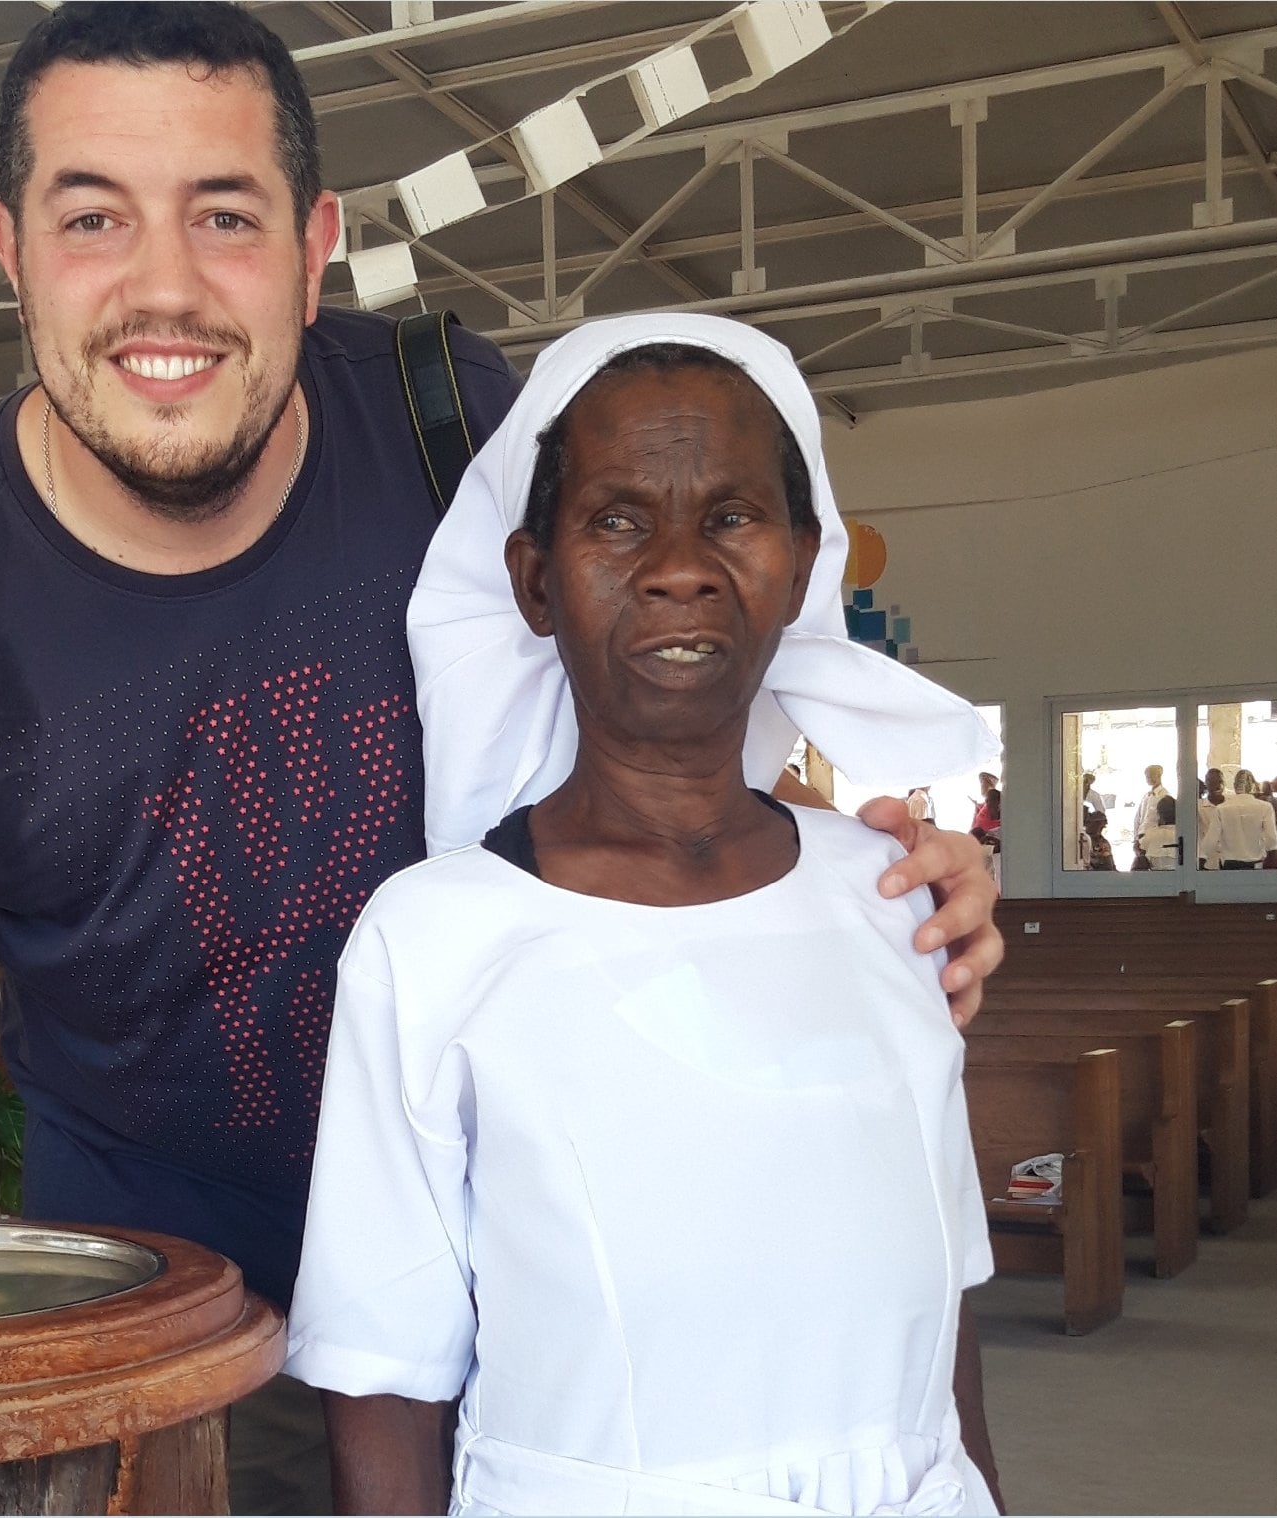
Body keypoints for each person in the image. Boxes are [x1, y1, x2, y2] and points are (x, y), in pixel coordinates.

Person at [0, 8, 1003, 1509]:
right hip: (202, 1331)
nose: (164, 287)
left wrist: (880, 877)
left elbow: (697, 657)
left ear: (315, 237)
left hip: (575, 1278)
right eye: (93, 219)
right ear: (6, 248)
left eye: (223, 215)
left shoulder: (445, 429)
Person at [287, 317, 1003, 1516]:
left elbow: (944, 1318)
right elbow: (383, 1377)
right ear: (532, 580)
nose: (681, 565)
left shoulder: (891, 902)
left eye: (730, 515)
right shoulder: (435, 941)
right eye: (617, 520)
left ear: (803, 560)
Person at [1202, 769, 1277, 869]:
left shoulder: (1221, 809)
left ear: (1234, 786)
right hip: (1256, 866)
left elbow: (1209, 844)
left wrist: (1220, 854)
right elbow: (1272, 841)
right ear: (1253, 786)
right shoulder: (1265, 807)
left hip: (1230, 865)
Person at [1132, 764, 1169, 860]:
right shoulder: (1146, 796)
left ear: (1159, 776)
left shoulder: (1164, 796)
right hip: (1141, 838)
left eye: (1152, 775)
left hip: (1153, 839)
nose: (1149, 778)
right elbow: (1138, 818)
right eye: (1147, 776)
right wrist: (1136, 839)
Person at [1142, 794, 1180, 869]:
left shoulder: (1151, 834)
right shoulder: (1186, 835)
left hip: (1155, 878)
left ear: (1159, 814)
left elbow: (1143, 850)